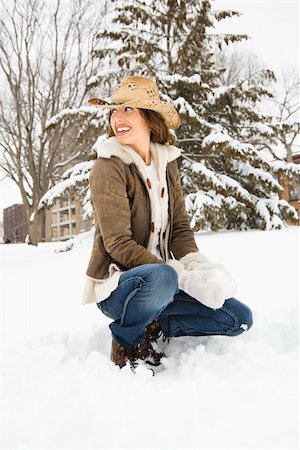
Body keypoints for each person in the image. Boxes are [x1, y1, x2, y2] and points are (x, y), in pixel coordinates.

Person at [83, 75, 253, 370]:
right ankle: (127, 338)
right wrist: (172, 273)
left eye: (127, 110)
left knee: (238, 319)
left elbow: (180, 230)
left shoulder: (167, 162)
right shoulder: (108, 166)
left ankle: (156, 324)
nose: (117, 118)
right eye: (113, 110)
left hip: (164, 285)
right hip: (122, 288)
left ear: (150, 118)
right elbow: (118, 243)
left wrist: (195, 268)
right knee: (162, 278)